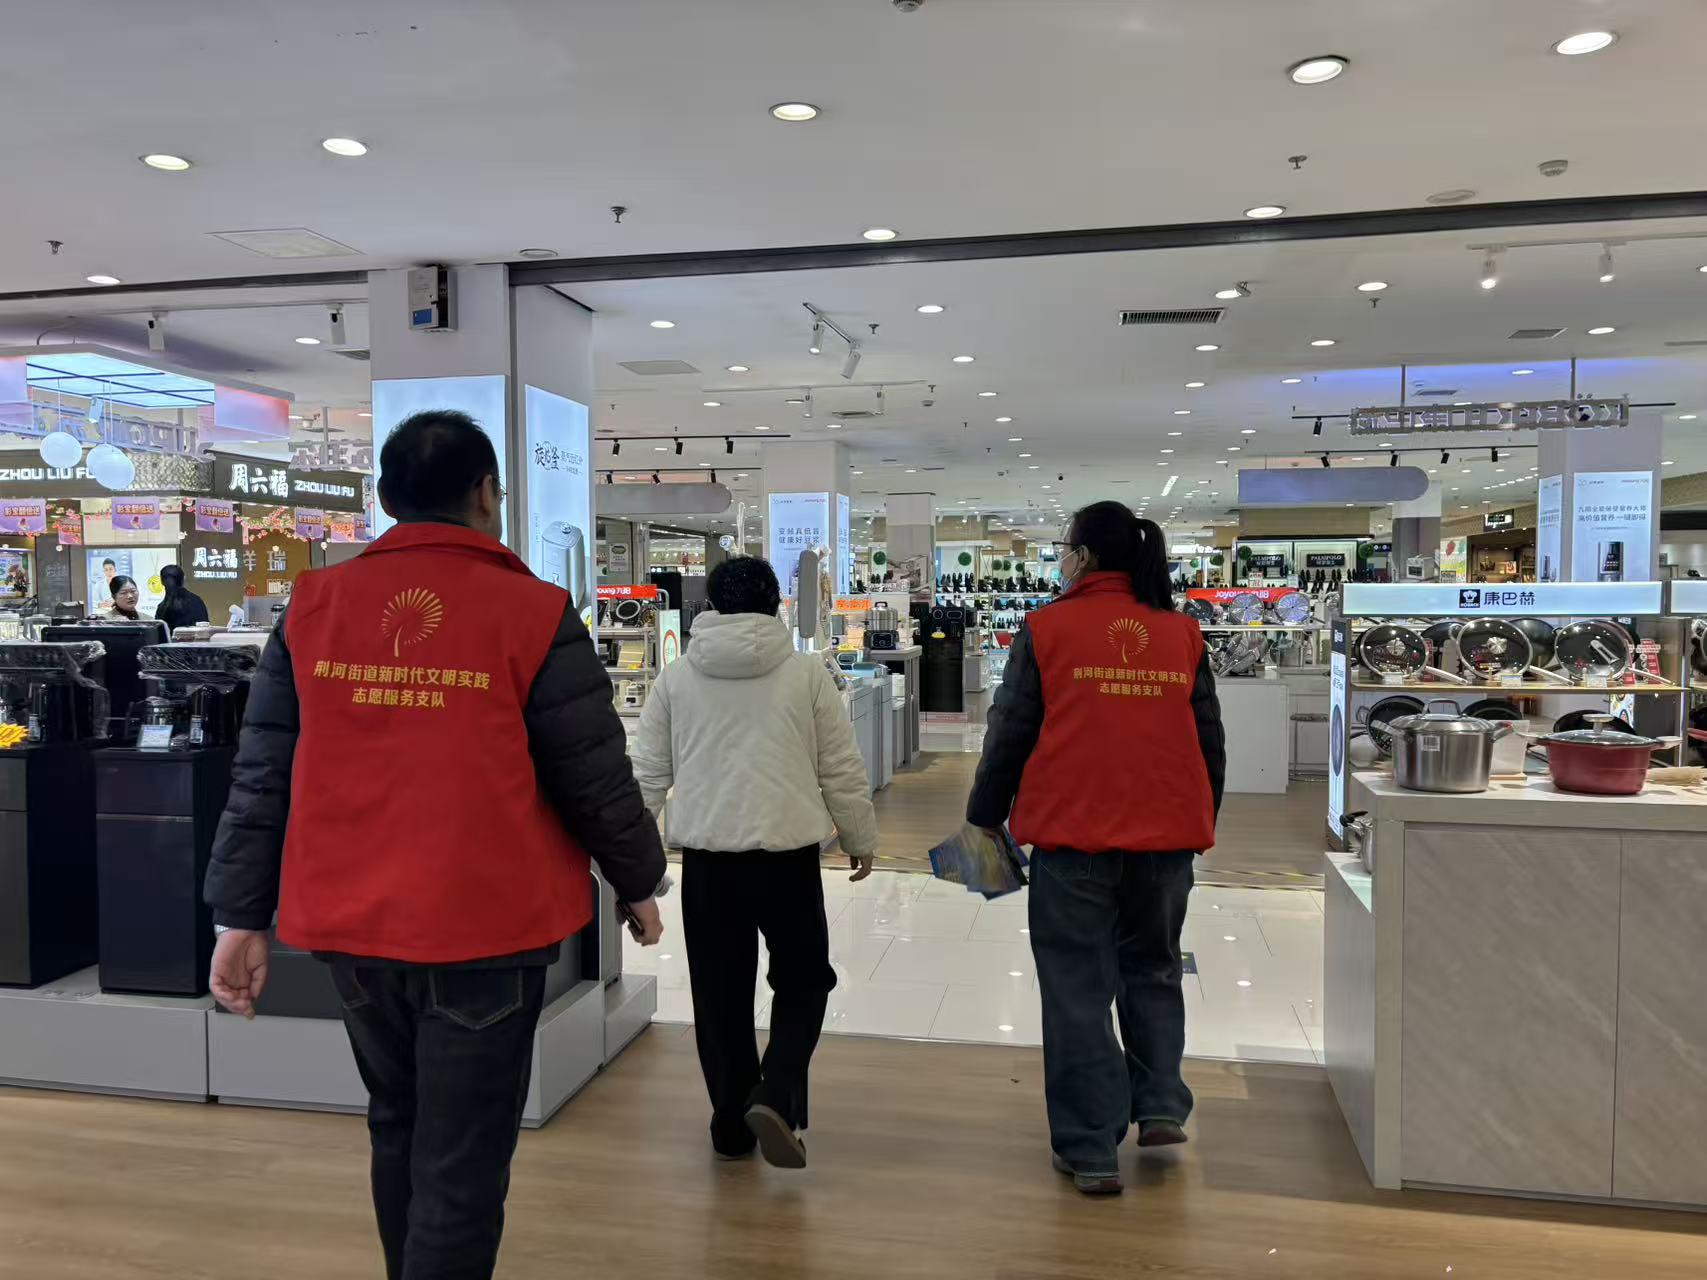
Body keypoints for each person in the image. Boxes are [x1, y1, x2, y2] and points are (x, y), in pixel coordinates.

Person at [203, 408, 666, 1280]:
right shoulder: (533, 611)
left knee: (398, 1125)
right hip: (484, 928)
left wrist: (239, 915)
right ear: (487, 494)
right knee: (462, 1162)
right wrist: (637, 880)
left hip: (353, 930)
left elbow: (263, 773)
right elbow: (591, 772)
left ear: (386, 499)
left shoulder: (313, 606)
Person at [966, 501, 1225, 1197]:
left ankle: (1090, 1147)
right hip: (1166, 837)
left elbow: (1011, 729)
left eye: (1063, 549)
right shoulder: (1180, 631)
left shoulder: (1047, 628)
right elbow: (1207, 738)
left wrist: (984, 815)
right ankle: (1160, 1102)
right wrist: (1199, 817)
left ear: (1080, 557)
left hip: (1073, 833)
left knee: (1077, 986)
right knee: (1154, 967)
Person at [631, 555, 878, 1168]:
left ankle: (731, 1124)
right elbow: (839, 765)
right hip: (787, 857)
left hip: (708, 862)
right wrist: (859, 834)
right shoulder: (806, 675)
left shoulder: (676, 678)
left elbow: (647, 777)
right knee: (805, 979)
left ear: (710, 606)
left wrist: (629, 865)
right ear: (777, 606)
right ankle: (776, 1088)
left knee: (719, 993)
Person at [154, 564, 210, 633]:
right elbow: (205, 630)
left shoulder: (161, 608)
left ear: (162, 582)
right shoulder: (197, 601)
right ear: (183, 579)